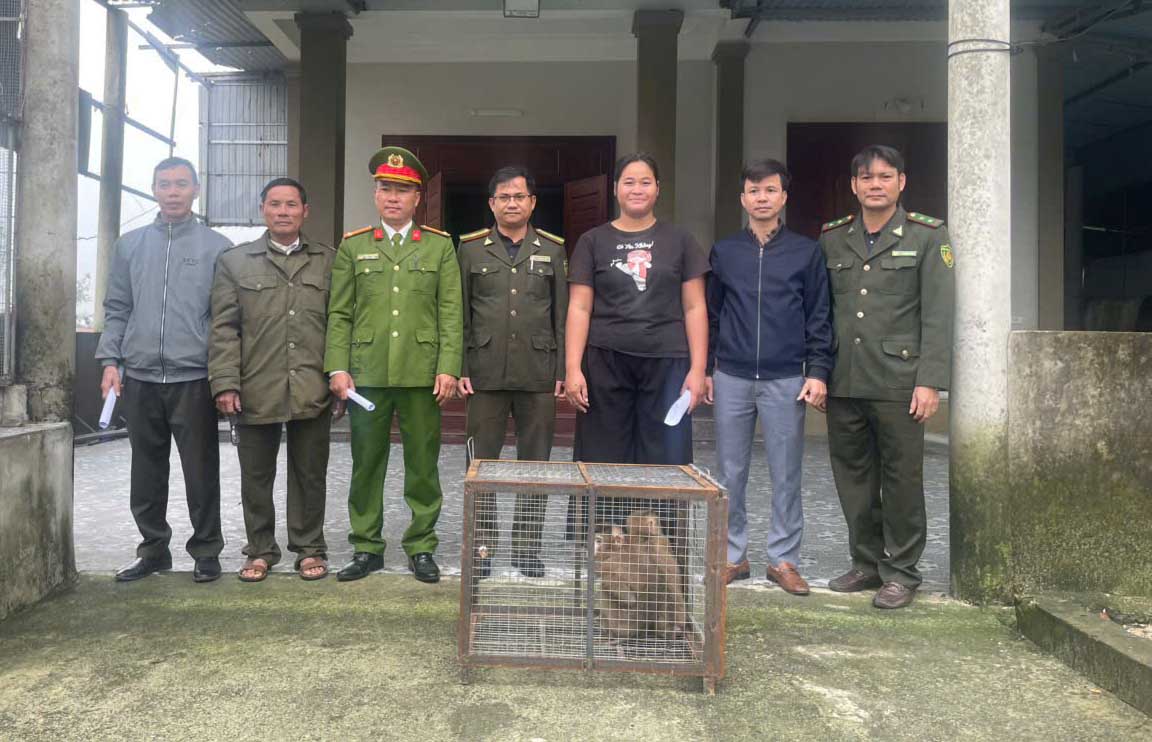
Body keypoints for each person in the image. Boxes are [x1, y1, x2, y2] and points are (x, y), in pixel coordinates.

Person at [819, 145, 955, 609]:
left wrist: (930, 380)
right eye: (866, 177)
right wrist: (817, 371)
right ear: (854, 185)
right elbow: (823, 311)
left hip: (900, 380)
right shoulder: (834, 238)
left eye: (884, 176)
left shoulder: (928, 237)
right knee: (853, 477)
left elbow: (937, 314)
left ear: (902, 182)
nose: (875, 184)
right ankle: (866, 562)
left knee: (901, 479)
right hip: (845, 379)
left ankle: (901, 571)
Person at [324, 146, 462, 583]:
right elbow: (340, 313)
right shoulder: (354, 246)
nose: (393, 197)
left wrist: (449, 367)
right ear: (375, 193)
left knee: (423, 464)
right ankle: (367, 546)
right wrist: (337, 368)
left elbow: (451, 312)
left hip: (422, 374)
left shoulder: (439, 248)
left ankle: (422, 546)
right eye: (386, 188)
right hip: (367, 374)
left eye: (403, 190)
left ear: (418, 198)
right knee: (366, 463)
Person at [96, 156, 232, 583]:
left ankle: (206, 550)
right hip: (139, 376)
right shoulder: (130, 245)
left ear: (196, 190)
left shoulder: (217, 247)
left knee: (200, 470)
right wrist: (110, 361)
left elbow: (225, 318)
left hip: (193, 377)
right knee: (146, 469)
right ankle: (153, 549)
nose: (172, 191)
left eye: (181, 184)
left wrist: (223, 374)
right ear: (153, 190)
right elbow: (117, 308)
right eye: (164, 184)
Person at [705, 158, 833, 594]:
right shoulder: (725, 251)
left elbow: (819, 316)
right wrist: (708, 369)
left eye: (770, 190)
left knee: (786, 471)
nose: (762, 198)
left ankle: (783, 559)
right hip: (733, 377)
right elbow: (713, 314)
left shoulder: (806, 251)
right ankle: (731, 556)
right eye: (754, 191)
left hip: (785, 379)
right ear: (743, 199)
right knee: (729, 472)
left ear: (783, 197)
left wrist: (817, 372)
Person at [209, 177, 336, 582]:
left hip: (312, 385)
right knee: (256, 475)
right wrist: (225, 382)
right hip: (255, 387)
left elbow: (340, 324)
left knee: (310, 473)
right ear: (262, 209)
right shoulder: (235, 262)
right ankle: (260, 548)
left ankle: (309, 547)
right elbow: (224, 328)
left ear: (305, 212)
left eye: (291, 205)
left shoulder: (328, 260)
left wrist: (338, 376)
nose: (283, 212)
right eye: (275, 204)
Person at [457, 166, 568, 578]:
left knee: (534, 463)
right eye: (503, 197)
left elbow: (561, 314)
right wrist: (461, 366)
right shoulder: (470, 249)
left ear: (533, 202)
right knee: (480, 464)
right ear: (491, 203)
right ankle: (483, 549)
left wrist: (559, 368)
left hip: (538, 372)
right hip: (484, 373)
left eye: (519, 196)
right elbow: (461, 315)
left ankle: (526, 548)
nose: (512, 203)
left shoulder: (553, 249)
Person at [564, 153, 709, 468]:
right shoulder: (592, 241)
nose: (637, 189)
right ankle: (604, 520)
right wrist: (573, 368)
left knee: (664, 457)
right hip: (605, 361)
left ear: (658, 188)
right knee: (602, 455)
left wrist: (698, 369)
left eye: (645, 182)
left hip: (666, 362)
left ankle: (657, 520)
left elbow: (695, 306)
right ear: (616, 188)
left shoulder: (680, 240)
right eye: (629, 182)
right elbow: (579, 307)